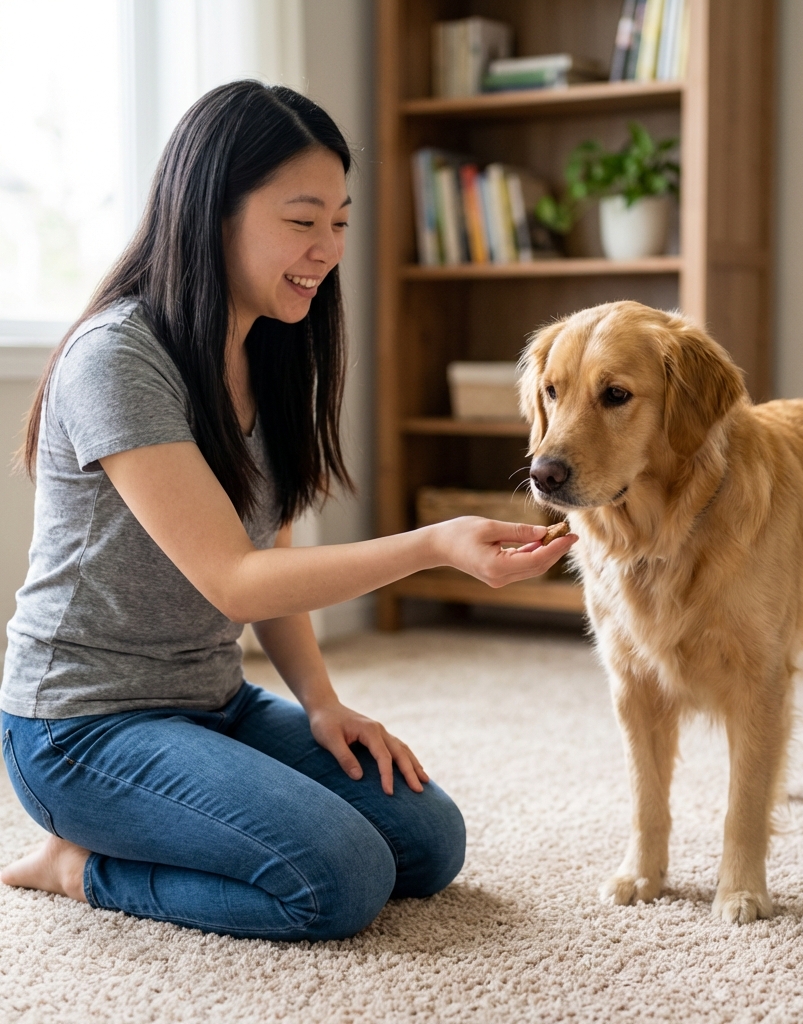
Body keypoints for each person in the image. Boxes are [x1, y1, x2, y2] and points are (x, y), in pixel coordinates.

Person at [0, 81, 575, 941]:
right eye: (302, 221)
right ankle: (79, 865)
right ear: (210, 211)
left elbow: (269, 549)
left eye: (340, 222)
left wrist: (320, 701)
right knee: (337, 881)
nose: (327, 249)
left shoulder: (268, 345)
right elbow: (235, 580)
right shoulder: (117, 357)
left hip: (212, 699)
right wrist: (432, 546)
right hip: (81, 730)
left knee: (427, 845)